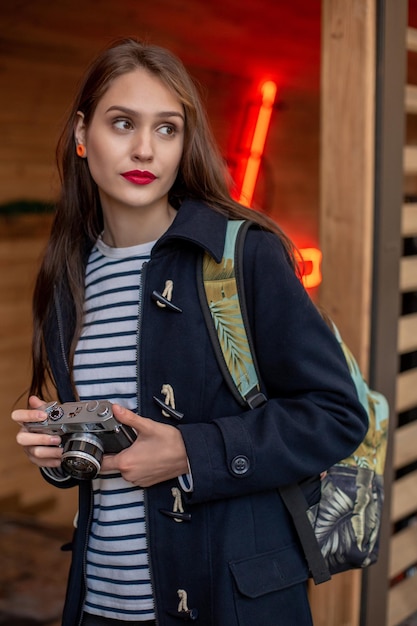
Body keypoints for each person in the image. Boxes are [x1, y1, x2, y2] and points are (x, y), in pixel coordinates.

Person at [12, 37, 368, 626]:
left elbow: (336, 413)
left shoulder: (241, 256)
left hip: (226, 602)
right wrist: (63, 453)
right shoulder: (67, 277)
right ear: (82, 134)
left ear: (184, 143)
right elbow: (116, 447)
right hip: (101, 602)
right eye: (122, 122)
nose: (145, 148)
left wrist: (188, 451)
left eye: (167, 129)